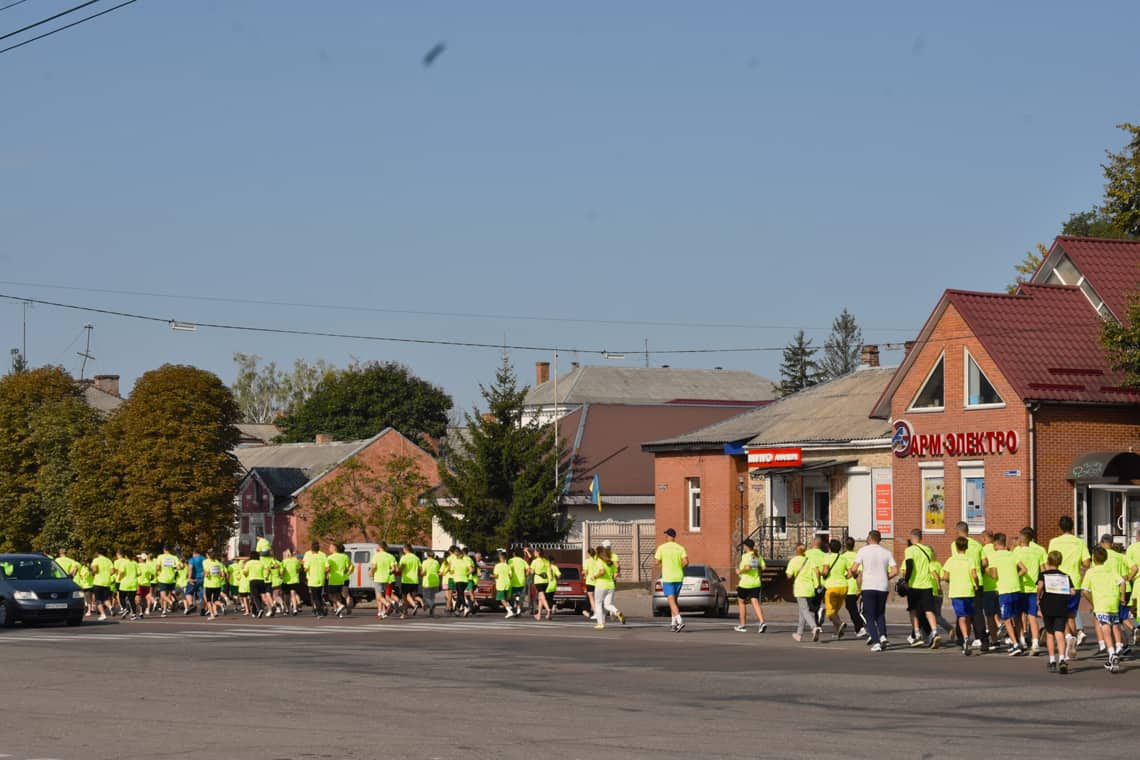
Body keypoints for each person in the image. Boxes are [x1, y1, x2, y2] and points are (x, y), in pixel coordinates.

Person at [1047, 515, 1091, 659]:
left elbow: (1050, 562)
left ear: (1059, 528)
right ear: (1072, 527)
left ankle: (1068, 637)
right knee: (1071, 614)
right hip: (1075, 583)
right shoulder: (1079, 542)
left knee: (1061, 615)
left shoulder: (1054, 542)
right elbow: (1086, 563)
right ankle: (1072, 637)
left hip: (1057, 582)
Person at [849, 529, 897, 652]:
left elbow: (854, 568)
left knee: (869, 615)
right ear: (879, 539)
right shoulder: (887, 552)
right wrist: (887, 577)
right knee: (880, 613)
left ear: (870, 538)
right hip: (882, 586)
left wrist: (852, 574)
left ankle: (876, 642)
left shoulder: (863, 551)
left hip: (869, 586)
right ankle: (883, 635)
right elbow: (895, 571)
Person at [1082, 546, 1127, 673]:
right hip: (1113, 601)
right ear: (1106, 558)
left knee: (1105, 628)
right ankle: (1117, 648)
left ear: (1093, 559)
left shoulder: (1091, 572)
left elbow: (1085, 591)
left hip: (1101, 603)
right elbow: (1122, 582)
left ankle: (1112, 653)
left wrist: (1092, 602)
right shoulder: (1110, 569)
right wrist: (1122, 596)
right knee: (1114, 624)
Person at [950, 522, 988, 651]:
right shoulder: (977, 545)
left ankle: (962, 638)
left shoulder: (955, 545)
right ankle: (982, 639)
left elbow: (957, 561)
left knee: (962, 613)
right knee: (978, 612)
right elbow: (984, 562)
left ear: (958, 531)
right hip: (977, 582)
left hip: (961, 582)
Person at [1038, 550, 1077, 674]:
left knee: (1050, 633)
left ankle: (1051, 660)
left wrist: (1038, 598)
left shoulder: (1044, 575)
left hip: (1047, 605)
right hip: (1061, 606)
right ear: (1060, 562)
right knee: (1059, 632)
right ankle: (1062, 658)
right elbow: (1073, 591)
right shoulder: (1065, 576)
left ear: (1048, 561)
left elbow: (1039, 587)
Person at [988, 533, 1027, 655]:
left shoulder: (994, 556)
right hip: (1016, 588)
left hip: (1004, 590)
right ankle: (1020, 640)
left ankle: (1015, 644)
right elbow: (1024, 569)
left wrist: (988, 572)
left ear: (995, 544)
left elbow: (994, 575)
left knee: (1006, 619)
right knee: (1017, 616)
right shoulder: (1012, 554)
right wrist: (1016, 575)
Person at [942, 537, 980, 656]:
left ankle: (965, 638)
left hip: (956, 591)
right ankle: (967, 637)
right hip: (969, 591)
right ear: (966, 546)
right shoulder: (970, 560)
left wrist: (950, 581)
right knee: (968, 616)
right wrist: (976, 584)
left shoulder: (951, 560)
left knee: (962, 617)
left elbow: (945, 576)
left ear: (956, 547)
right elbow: (974, 575)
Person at [1013, 527, 1046, 655]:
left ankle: (1021, 640)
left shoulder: (1016, 551)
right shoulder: (1038, 551)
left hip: (1019, 587)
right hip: (1033, 588)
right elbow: (1043, 569)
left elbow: (1014, 567)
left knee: (1018, 616)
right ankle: (1035, 643)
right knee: (1032, 616)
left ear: (1022, 539)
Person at [1098, 534, 1131, 658]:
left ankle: (1114, 647)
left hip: (1104, 593)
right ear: (1111, 543)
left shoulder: (1099, 557)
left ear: (1102, 543)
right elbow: (1131, 570)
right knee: (1117, 620)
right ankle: (1123, 645)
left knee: (1107, 622)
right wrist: (1129, 578)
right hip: (1121, 590)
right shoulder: (1120, 556)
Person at [654, 528, 689, 632]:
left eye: (666, 535)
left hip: (668, 577)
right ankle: (673, 624)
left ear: (669, 536)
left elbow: (656, 562)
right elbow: (686, 562)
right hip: (679, 576)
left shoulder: (662, 548)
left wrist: (662, 564)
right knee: (674, 600)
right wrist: (680, 567)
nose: (665, 537)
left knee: (670, 600)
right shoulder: (680, 548)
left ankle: (680, 620)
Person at [787, 543, 821, 643]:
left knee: (804, 610)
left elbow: (789, 575)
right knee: (802, 611)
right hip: (809, 588)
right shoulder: (809, 560)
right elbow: (817, 571)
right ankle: (799, 634)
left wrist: (791, 573)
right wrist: (817, 583)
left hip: (800, 588)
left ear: (796, 551)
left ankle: (814, 627)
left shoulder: (793, 560)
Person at [734, 538, 767, 633]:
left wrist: (740, 571)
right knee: (755, 602)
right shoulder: (757, 555)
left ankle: (742, 624)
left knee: (741, 602)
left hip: (745, 583)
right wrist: (756, 568)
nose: (743, 548)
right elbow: (764, 567)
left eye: (744, 546)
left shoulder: (745, 556)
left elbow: (747, 568)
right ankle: (762, 622)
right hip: (756, 582)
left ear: (747, 547)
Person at [822, 538, 851, 639]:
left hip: (832, 587)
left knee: (830, 612)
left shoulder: (827, 557)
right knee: (835, 611)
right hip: (843, 587)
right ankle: (836, 632)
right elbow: (851, 573)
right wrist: (845, 577)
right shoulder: (843, 558)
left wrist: (822, 574)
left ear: (829, 548)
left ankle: (840, 623)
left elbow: (825, 572)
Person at [591, 546, 624, 630]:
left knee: (598, 604)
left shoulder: (599, 561)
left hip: (601, 585)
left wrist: (594, 577)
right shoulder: (610, 562)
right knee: (608, 604)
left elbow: (602, 571)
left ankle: (600, 623)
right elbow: (616, 572)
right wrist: (617, 574)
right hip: (611, 585)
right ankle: (617, 612)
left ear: (598, 553)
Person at [841, 536, 865, 638]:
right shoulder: (857, 556)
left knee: (852, 608)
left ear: (845, 545)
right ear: (854, 545)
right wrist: (860, 588)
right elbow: (860, 572)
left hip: (848, 586)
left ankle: (860, 626)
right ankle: (858, 628)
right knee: (851, 607)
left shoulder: (842, 557)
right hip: (856, 586)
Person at [326, 543, 354, 618]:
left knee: (331, 595)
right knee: (343, 595)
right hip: (343, 579)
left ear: (335, 548)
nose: (329, 548)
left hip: (333, 579)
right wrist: (347, 573)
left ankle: (339, 605)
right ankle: (342, 611)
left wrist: (326, 572)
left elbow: (327, 568)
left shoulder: (330, 557)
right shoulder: (345, 557)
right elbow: (350, 567)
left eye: (330, 547)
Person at [303, 542, 329, 618]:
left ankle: (319, 612)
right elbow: (327, 568)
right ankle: (323, 609)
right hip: (321, 578)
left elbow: (305, 568)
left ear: (311, 548)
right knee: (319, 596)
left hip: (312, 579)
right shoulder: (323, 555)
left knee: (315, 597)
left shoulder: (308, 555)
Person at [371, 544, 398, 618]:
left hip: (378, 578)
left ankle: (388, 604)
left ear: (380, 547)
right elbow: (393, 569)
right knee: (385, 595)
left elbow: (374, 566)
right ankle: (381, 612)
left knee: (379, 596)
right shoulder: (390, 556)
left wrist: (371, 572)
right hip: (387, 579)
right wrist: (389, 572)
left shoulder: (376, 556)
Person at [154, 546, 182, 617]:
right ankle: (164, 611)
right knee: (167, 595)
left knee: (163, 596)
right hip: (171, 579)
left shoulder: (160, 557)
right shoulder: (174, 557)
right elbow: (179, 567)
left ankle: (171, 602)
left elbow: (157, 567)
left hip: (163, 578)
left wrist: (157, 570)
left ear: (164, 550)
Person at [89, 549, 115, 622]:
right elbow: (112, 571)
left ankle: (103, 615)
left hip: (98, 582)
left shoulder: (96, 560)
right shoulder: (108, 560)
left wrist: (91, 573)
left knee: (98, 600)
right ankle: (110, 607)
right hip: (106, 582)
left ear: (98, 553)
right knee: (106, 599)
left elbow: (95, 569)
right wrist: (106, 574)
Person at [398, 544, 423, 618]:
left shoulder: (404, 558)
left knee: (405, 597)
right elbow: (420, 570)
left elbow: (401, 568)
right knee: (410, 596)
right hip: (415, 580)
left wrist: (397, 570)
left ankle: (413, 606)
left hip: (406, 580)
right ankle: (405, 613)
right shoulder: (416, 558)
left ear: (405, 549)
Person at [114, 550, 139, 620]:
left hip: (125, 583)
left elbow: (122, 572)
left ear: (126, 556)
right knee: (132, 600)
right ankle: (134, 615)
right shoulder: (135, 563)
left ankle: (125, 608)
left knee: (121, 597)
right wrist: (133, 574)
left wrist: (119, 578)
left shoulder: (124, 563)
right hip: (133, 583)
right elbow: (139, 573)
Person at [529, 548, 553, 621]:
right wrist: (550, 578)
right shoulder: (546, 561)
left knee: (542, 597)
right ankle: (539, 614)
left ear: (537, 553)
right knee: (540, 598)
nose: (534, 553)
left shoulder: (535, 561)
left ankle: (548, 609)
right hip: (546, 581)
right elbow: (549, 571)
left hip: (538, 581)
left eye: (534, 552)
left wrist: (530, 570)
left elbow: (532, 572)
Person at [202, 550, 226, 619]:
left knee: (208, 600)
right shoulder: (219, 563)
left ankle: (212, 615)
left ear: (208, 556)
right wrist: (221, 578)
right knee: (215, 600)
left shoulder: (205, 562)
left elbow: (206, 573)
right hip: (217, 584)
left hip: (209, 584)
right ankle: (221, 604)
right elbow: (223, 574)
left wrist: (205, 574)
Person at [493, 551, 515, 618]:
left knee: (502, 599)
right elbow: (511, 576)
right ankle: (510, 608)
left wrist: (492, 576)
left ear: (500, 558)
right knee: (505, 599)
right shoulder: (508, 566)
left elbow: (496, 575)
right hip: (507, 584)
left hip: (500, 585)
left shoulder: (497, 566)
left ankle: (509, 611)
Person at [280, 549, 303, 616]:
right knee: (293, 594)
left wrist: (281, 576)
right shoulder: (296, 560)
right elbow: (299, 569)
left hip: (286, 581)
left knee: (286, 596)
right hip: (295, 580)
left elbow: (282, 571)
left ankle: (287, 609)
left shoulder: (284, 562)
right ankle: (295, 609)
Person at [508, 548, 529, 616]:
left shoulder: (510, 560)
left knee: (513, 596)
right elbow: (528, 569)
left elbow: (509, 569)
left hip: (513, 581)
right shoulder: (523, 561)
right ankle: (518, 609)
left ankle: (515, 609)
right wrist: (526, 575)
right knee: (518, 596)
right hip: (522, 581)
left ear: (514, 554)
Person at [184, 549, 205, 616]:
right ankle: (203, 609)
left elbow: (190, 568)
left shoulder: (192, 559)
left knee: (188, 592)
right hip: (202, 579)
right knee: (202, 595)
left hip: (194, 579)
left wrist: (189, 578)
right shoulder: (204, 559)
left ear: (194, 553)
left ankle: (191, 604)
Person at [420, 551, 442, 616]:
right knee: (432, 597)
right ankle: (431, 611)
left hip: (427, 581)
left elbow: (423, 572)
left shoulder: (425, 562)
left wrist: (420, 574)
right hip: (435, 581)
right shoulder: (436, 562)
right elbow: (438, 570)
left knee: (425, 597)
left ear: (427, 555)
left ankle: (431, 605)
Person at [582, 547, 598, 620]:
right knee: (597, 598)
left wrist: (583, 573)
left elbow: (585, 572)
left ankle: (596, 612)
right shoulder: (598, 560)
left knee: (591, 598)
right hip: (598, 581)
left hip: (590, 581)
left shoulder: (587, 561)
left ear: (588, 554)